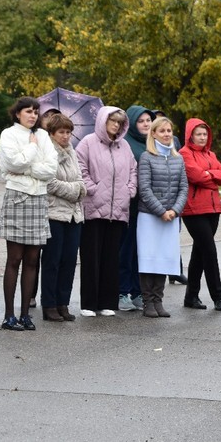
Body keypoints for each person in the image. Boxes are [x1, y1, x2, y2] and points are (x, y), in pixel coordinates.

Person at [0, 97, 58, 331]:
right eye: (28, 112)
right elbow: (13, 163)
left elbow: (50, 169)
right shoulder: (9, 134)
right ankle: (9, 315)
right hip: (17, 196)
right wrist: (32, 150)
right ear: (17, 114)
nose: (33, 116)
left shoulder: (43, 135)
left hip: (38, 197)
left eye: (36, 112)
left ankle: (25, 314)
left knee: (33, 259)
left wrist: (28, 166)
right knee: (14, 259)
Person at [76, 106, 137, 317]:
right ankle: (88, 303)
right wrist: (92, 189)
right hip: (93, 208)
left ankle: (106, 302)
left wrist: (129, 191)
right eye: (112, 121)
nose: (116, 125)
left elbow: (133, 170)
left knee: (111, 258)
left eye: (119, 122)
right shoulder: (88, 143)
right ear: (103, 121)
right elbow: (80, 168)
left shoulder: (125, 146)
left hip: (118, 210)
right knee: (91, 257)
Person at [136, 116, 188, 318]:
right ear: (154, 134)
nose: (167, 134)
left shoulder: (178, 158)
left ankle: (158, 300)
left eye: (169, 131)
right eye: (163, 131)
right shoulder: (147, 157)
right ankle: (148, 301)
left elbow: (183, 187)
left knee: (165, 258)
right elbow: (145, 189)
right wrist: (161, 211)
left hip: (171, 217)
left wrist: (175, 210)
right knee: (149, 259)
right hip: (150, 217)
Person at [180, 118, 221, 311]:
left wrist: (210, 175)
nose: (202, 137)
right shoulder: (184, 154)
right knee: (209, 251)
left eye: (204, 134)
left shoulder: (211, 154)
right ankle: (218, 296)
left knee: (199, 252)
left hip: (213, 209)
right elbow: (196, 176)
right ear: (190, 135)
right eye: (198, 134)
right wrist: (211, 176)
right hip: (193, 210)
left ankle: (191, 296)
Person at [40, 113, 86, 322]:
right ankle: (49, 304)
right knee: (52, 261)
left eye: (68, 132)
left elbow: (81, 180)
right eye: (61, 132)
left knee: (69, 260)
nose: (66, 136)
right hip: (54, 213)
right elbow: (50, 183)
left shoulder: (72, 151)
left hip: (74, 215)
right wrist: (75, 190)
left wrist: (77, 189)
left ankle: (63, 303)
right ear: (52, 133)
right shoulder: (47, 152)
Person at [118, 105, 156, 312]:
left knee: (141, 251)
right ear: (132, 123)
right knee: (126, 249)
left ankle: (137, 291)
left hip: (149, 207)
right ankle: (122, 291)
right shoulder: (126, 144)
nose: (145, 124)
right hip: (130, 204)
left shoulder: (153, 143)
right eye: (141, 121)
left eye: (148, 121)